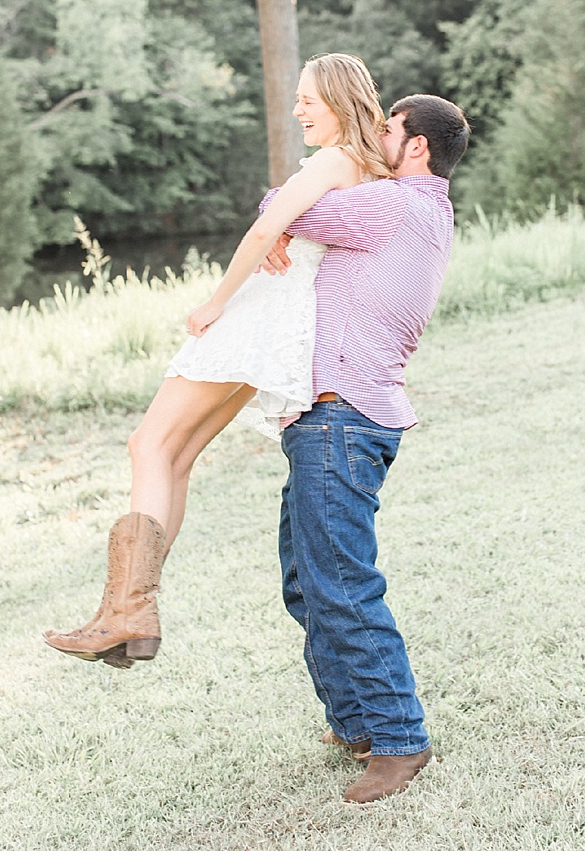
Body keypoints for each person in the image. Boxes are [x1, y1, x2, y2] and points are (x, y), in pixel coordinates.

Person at [45, 53, 392, 668]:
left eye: (308, 99)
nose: (297, 110)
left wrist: (214, 302)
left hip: (259, 317)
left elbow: (263, 233)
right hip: (288, 325)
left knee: (149, 446)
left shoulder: (335, 160)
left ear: (340, 101)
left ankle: (129, 610)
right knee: (174, 456)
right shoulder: (367, 167)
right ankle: (128, 613)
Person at [263, 92, 469, 803]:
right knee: (306, 579)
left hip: (341, 419)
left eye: (384, 127)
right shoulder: (421, 209)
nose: (369, 137)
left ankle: (399, 738)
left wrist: (314, 176)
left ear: (415, 147)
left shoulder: (396, 205)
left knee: (343, 585)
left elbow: (281, 206)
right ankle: (355, 722)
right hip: (332, 422)